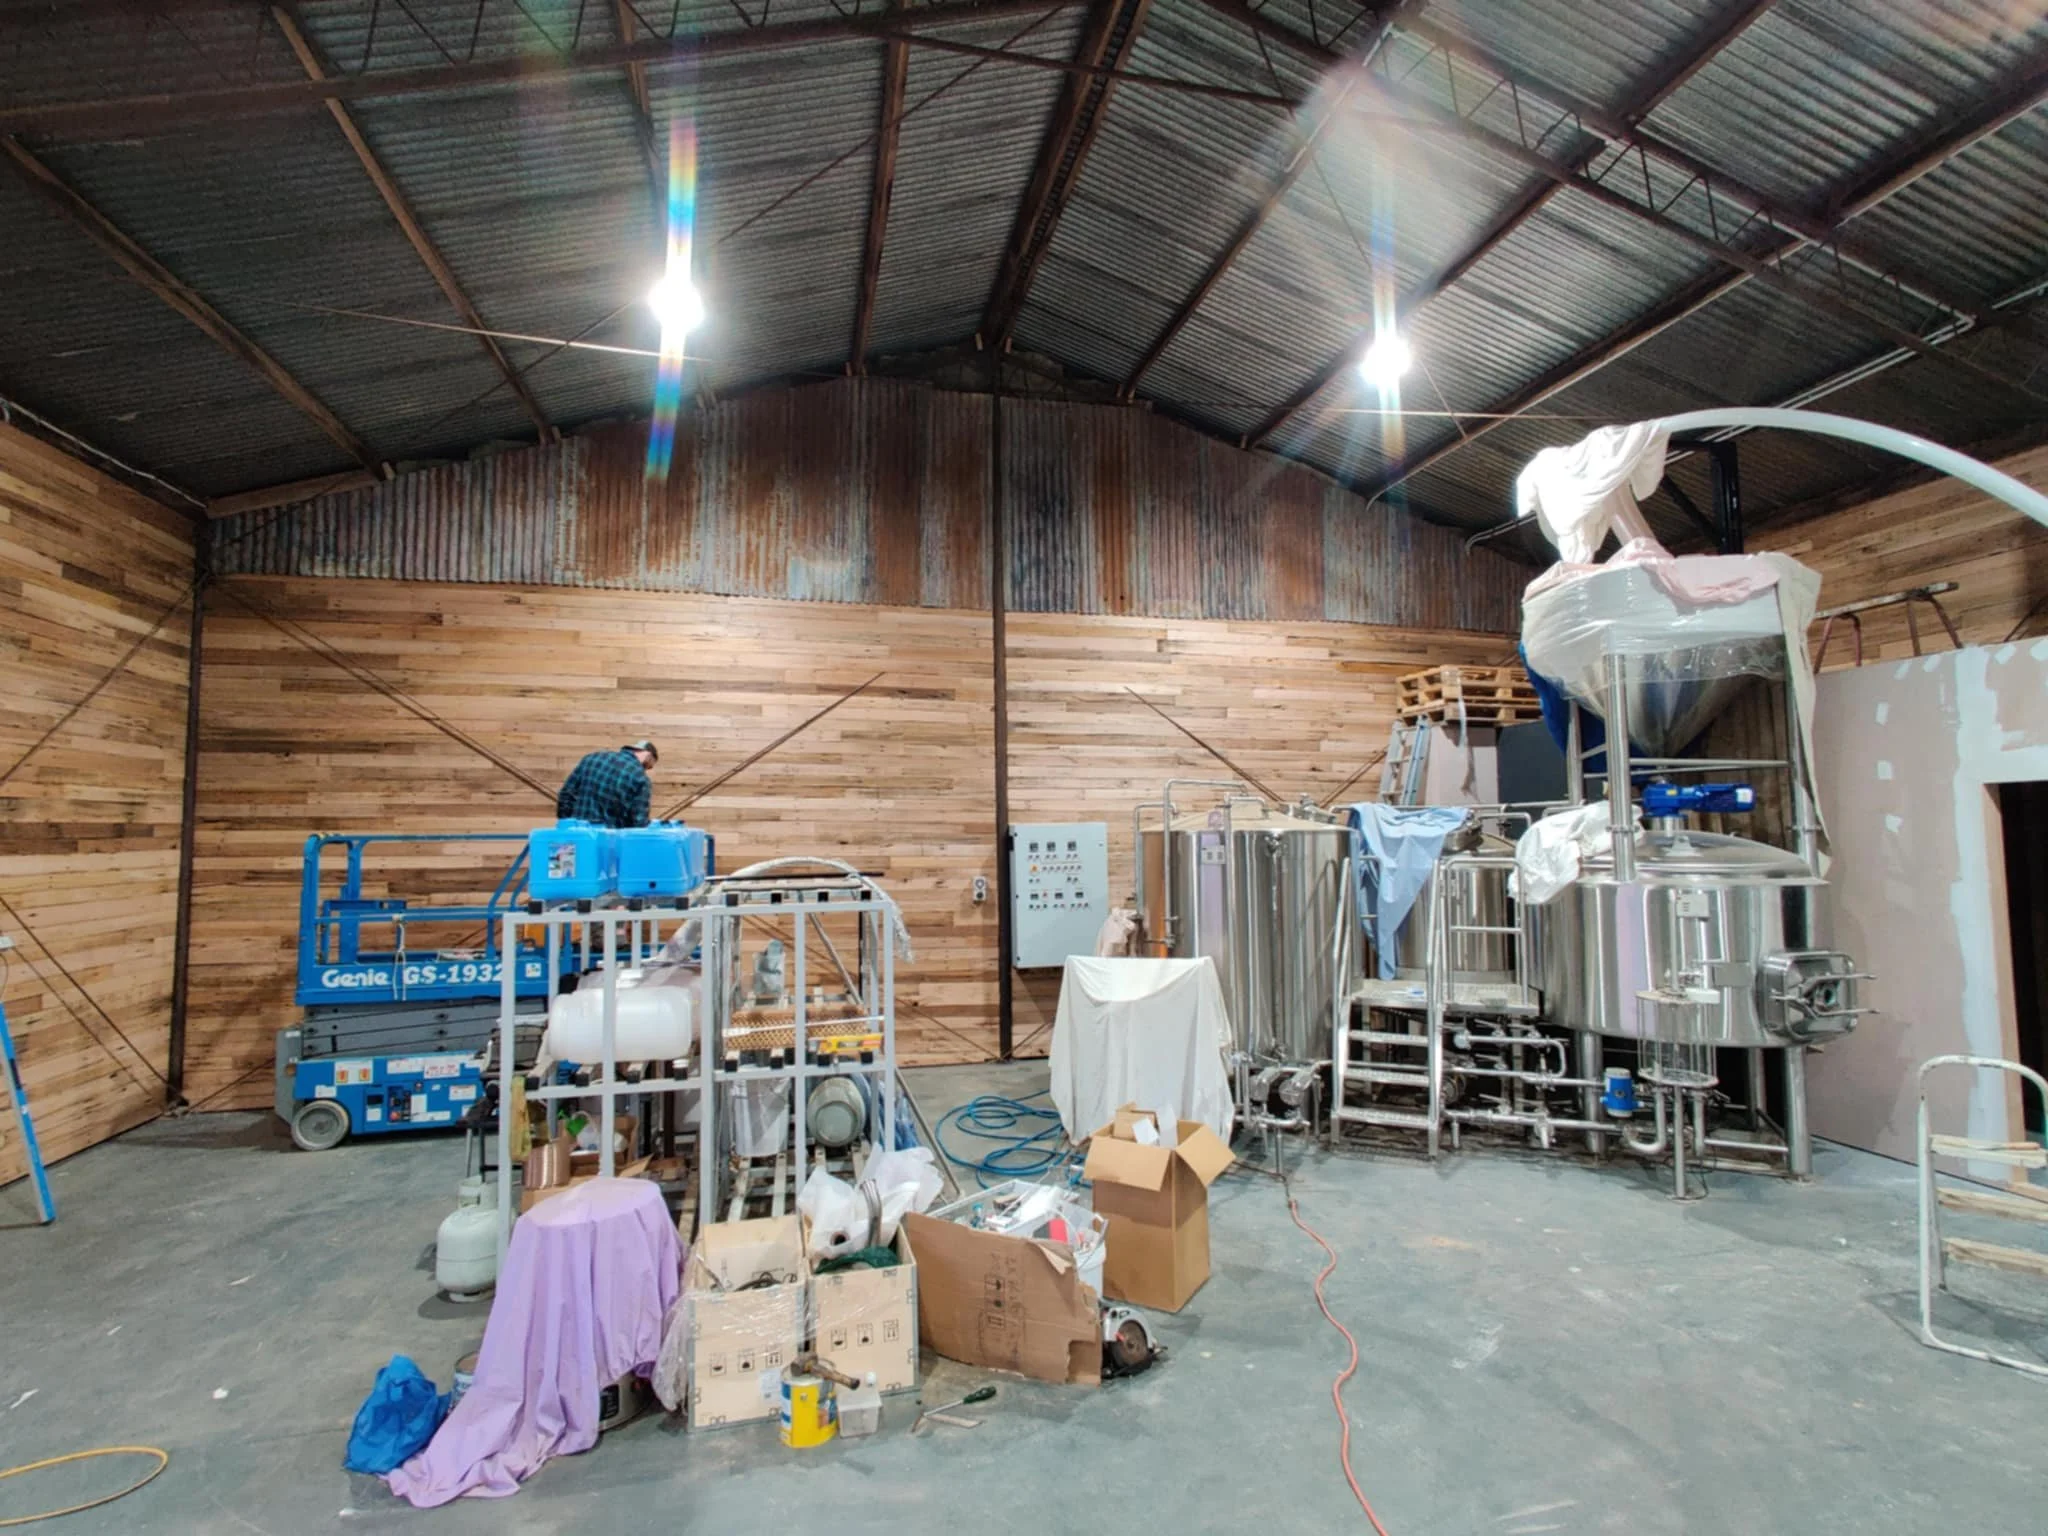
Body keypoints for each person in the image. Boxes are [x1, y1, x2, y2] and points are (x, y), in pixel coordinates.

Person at [556, 740, 658, 828]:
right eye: (649, 766)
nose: (646, 769)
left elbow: (566, 794)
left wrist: (568, 826)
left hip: (579, 838)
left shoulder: (591, 759)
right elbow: (639, 822)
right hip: (610, 843)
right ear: (649, 755)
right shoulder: (640, 778)